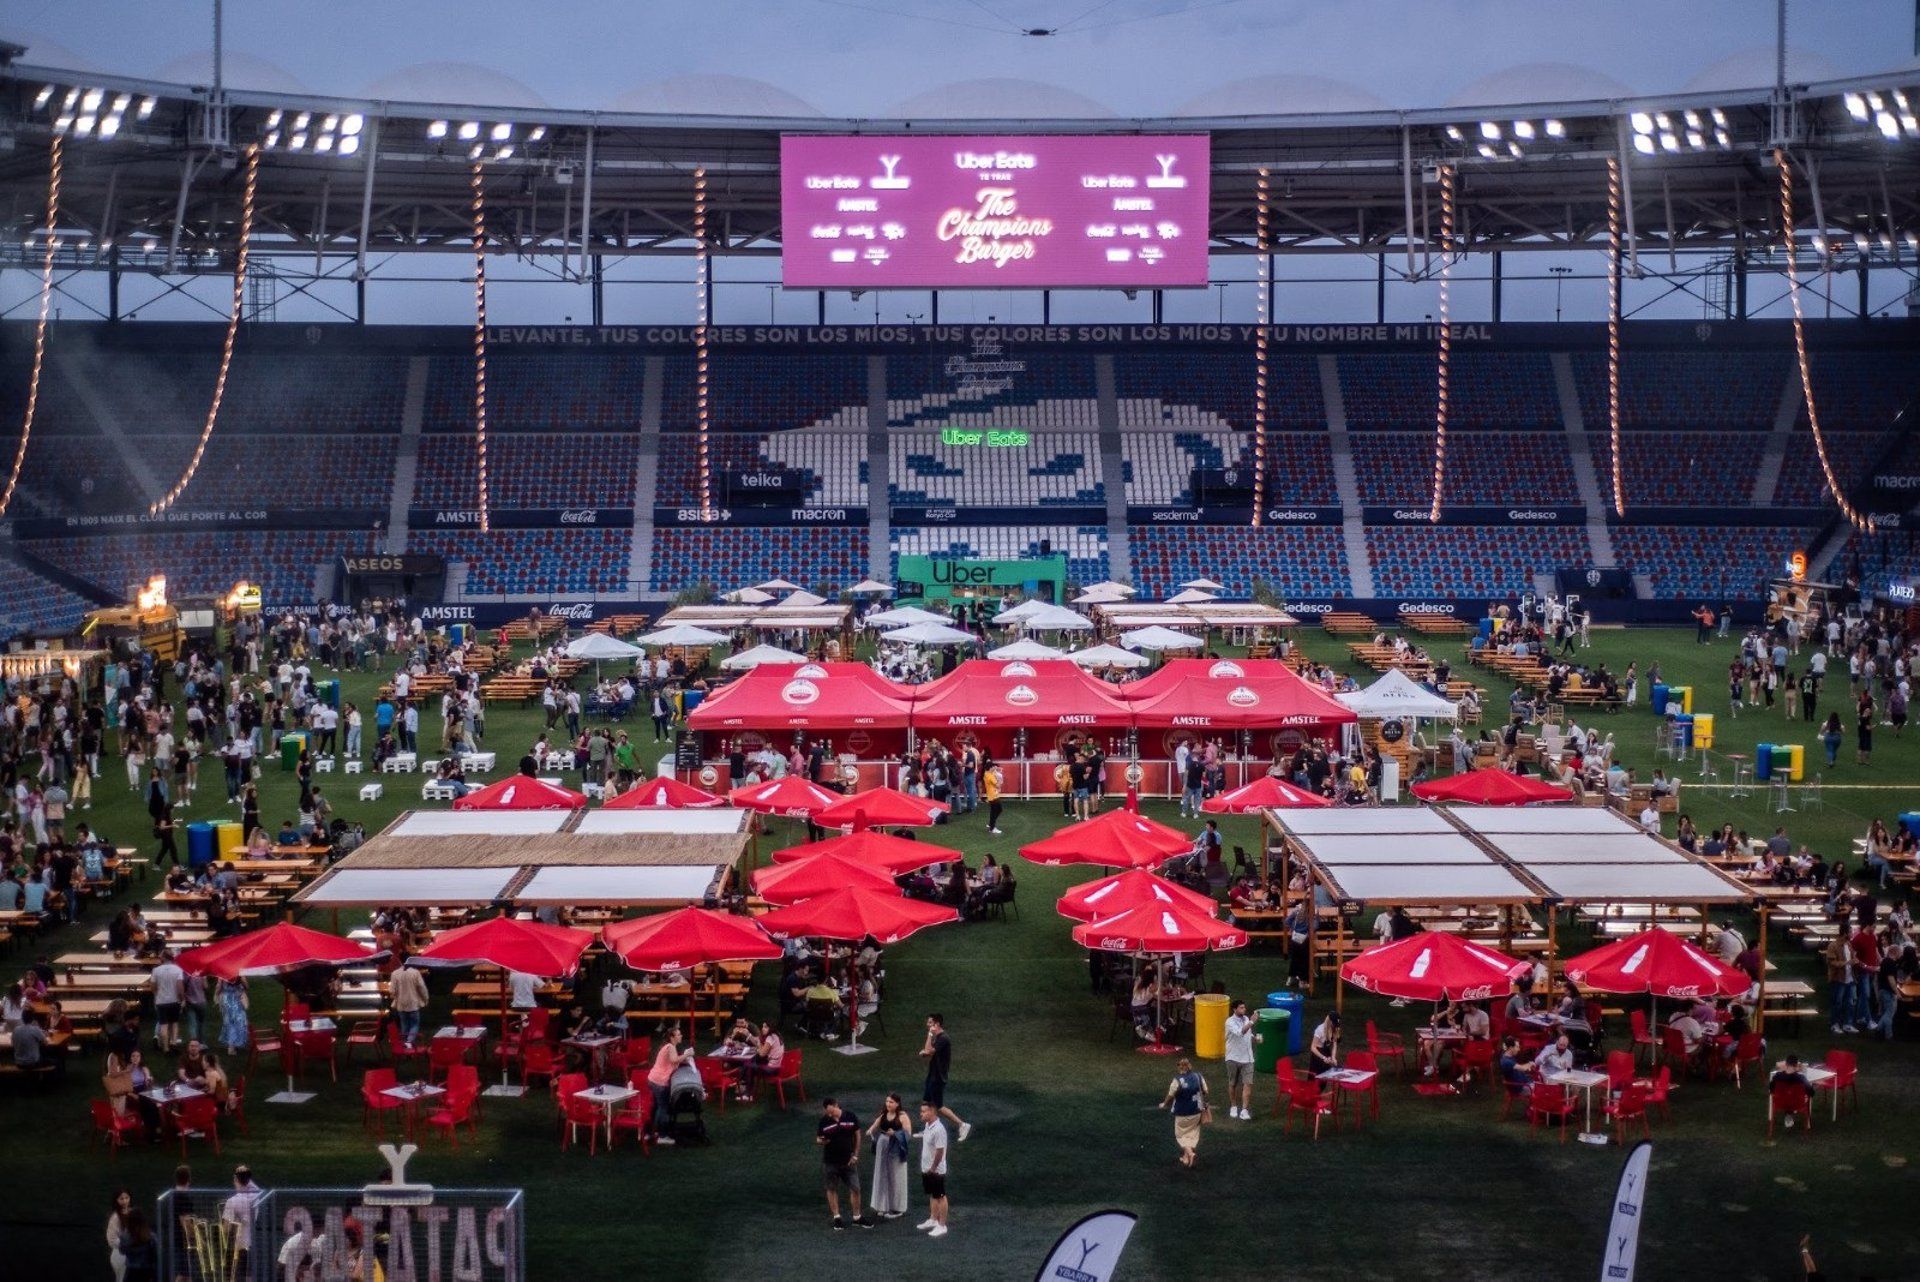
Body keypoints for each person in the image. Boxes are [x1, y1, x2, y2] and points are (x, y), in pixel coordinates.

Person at [815, 1098, 872, 1231]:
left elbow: (857, 1135)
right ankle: (837, 1217)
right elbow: (818, 1138)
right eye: (827, 1112)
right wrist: (821, 1141)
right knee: (831, 1188)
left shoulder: (850, 1117)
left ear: (836, 1106)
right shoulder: (824, 1121)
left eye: (831, 1111)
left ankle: (857, 1217)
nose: (829, 1114)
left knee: (856, 1188)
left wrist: (856, 1154)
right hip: (830, 1162)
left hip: (848, 1161)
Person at [919, 1014, 972, 1141]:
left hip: (938, 1077)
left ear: (936, 1024)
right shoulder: (939, 1037)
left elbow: (928, 1050)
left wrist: (929, 1036)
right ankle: (927, 1129)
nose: (927, 1025)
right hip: (932, 1074)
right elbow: (929, 1052)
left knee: (938, 1106)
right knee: (927, 1102)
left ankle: (963, 1125)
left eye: (930, 1023)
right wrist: (926, 1052)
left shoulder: (943, 1038)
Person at [865, 1092, 914, 1220]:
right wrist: (870, 1130)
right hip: (883, 1146)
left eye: (891, 1102)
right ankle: (882, 1206)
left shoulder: (903, 1116)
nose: (888, 1104)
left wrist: (896, 1134)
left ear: (897, 1103)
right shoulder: (884, 1114)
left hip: (896, 1147)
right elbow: (875, 1124)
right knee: (881, 1175)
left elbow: (908, 1133)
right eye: (887, 1101)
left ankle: (898, 1207)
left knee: (896, 1176)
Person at [646, 1025, 696, 1146]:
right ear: (672, 1037)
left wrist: (684, 1059)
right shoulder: (670, 1047)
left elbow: (672, 1061)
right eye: (678, 1034)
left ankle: (649, 1132)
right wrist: (687, 1055)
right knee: (663, 1108)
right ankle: (662, 1136)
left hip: (652, 1079)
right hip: (660, 1082)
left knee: (656, 1107)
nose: (681, 1036)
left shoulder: (667, 1046)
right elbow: (674, 1060)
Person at [1159, 1056, 1211, 1169]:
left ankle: (1190, 1152)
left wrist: (1164, 1103)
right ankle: (1186, 1157)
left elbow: (1171, 1094)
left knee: (1181, 1135)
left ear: (1179, 1067)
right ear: (1189, 1066)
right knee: (1192, 1134)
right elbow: (1205, 1091)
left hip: (1182, 1112)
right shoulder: (1198, 1076)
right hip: (1196, 1112)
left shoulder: (1177, 1080)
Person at [916, 1099, 950, 1237]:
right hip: (927, 1168)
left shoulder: (939, 1129)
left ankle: (942, 1225)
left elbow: (940, 1151)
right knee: (933, 1194)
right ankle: (933, 1219)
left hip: (935, 1170)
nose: (921, 1114)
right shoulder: (928, 1125)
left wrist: (933, 1168)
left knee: (940, 1195)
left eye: (924, 1112)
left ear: (932, 1112)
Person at [1223, 1000, 1258, 1121]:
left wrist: (1255, 1038)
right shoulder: (1229, 1022)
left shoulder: (1246, 1019)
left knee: (1248, 1084)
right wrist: (1252, 1021)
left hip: (1248, 1059)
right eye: (1241, 1008)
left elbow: (1248, 1033)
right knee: (1233, 1083)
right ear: (1234, 1009)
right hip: (1233, 1057)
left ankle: (1244, 1110)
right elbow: (1240, 1033)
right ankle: (1233, 1106)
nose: (1244, 1010)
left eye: (1244, 1007)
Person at [389, 962, 428, 1047]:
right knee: (414, 1024)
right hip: (413, 1003)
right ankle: (409, 1042)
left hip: (401, 1004)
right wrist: (425, 999)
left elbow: (392, 990)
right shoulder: (415, 973)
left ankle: (405, 1042)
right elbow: (422, 987)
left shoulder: (395, 973)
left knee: (404, 1024)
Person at [107, 1189, 134, 1282]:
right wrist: (127, 1243)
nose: (125, 1201)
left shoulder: (134, 1213)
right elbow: (111, 1239)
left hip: (134, 1253)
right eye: (121, 1199)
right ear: (116, 1200)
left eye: (127, 1198)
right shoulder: (115, 1217)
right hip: (120, 1254)